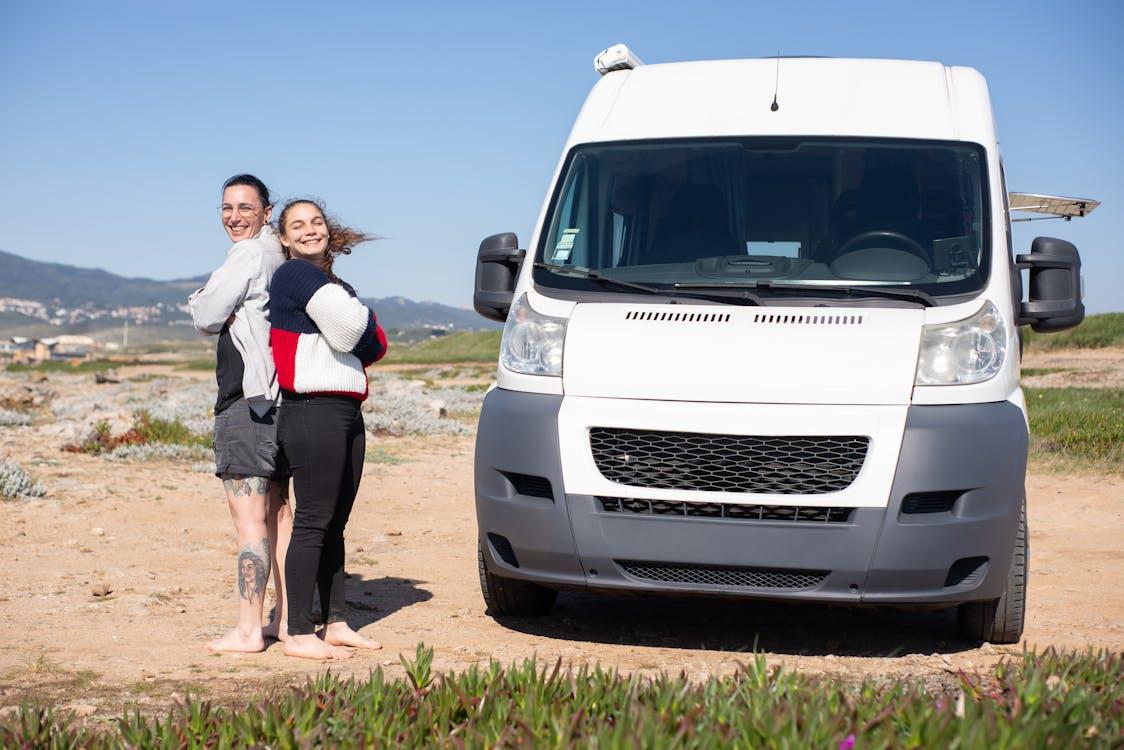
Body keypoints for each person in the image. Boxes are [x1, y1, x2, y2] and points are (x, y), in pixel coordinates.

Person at [269, 199, 388, 660]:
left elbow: (374, 346)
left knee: (335, 522)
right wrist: (366, 319)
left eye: (316, 222)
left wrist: (364, 325)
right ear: (284, 238)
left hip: (344, 410)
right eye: (297, 225)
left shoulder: (335, 283)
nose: (309, 230)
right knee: (315, 521)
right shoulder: (296, 275)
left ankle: (335, 622)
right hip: (311, 410)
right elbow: (349, 333)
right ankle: (298, 631)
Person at [188, 174, 293, 652]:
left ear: (266, 211)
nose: (234, 217)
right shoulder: (279, 252)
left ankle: (250, 629)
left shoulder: (250, 254)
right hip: (279, 400)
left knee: (249, 520)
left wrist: (207, 302)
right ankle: (289, 621)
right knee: (279, 515)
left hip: (246, 402)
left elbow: (206, 315)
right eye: (226, 208)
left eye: (245, 207)